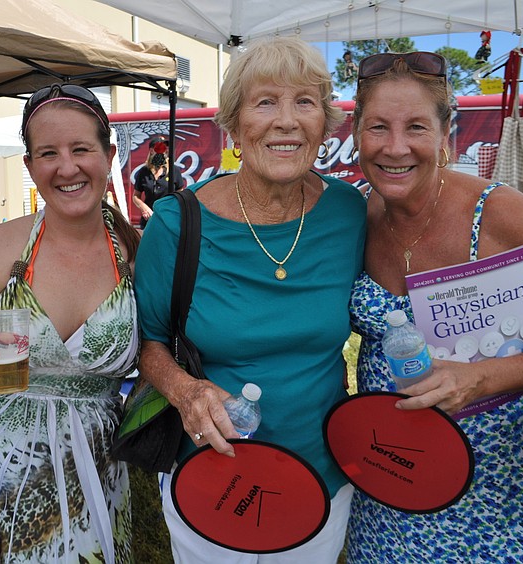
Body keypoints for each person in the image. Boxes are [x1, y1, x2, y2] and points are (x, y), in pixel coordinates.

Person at [344, 51, 523, 562]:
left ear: (444, 135)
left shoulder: (500, 213)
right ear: (357, 132)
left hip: (492, 497)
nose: (395, 147)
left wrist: (481, 379)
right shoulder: (363, 212)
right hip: (388, 477)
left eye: (416, 127)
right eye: (378, 126)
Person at [133, 37, 366, 562]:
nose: (286, 121)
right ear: (234, 127)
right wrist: (185, 390)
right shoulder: (177, 222)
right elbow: (148, 342)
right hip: (211, 471)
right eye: (265, 102)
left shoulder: (349, 212)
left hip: (320, 472)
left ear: (325, 124)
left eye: (304, 102)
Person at [0, 84, 141, 562]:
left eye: (81, 149)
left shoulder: (138, 253)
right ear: (30, 166)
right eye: (48, 153)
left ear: (108, 155)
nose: (66, 167)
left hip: (96, 479)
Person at [131, 135, 185, 228]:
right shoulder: (144, 171)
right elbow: (136, 196)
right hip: (149, 221)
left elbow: (181, 195)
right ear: (152, 151)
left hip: (169, 220)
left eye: (165, 148)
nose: (164, 151)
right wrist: (144, 208)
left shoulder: (174, 170)